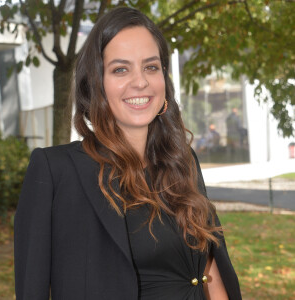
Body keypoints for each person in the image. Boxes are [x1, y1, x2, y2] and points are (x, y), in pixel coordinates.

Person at [14, 7, 242, 300]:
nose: (141, 82)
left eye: (151, 67)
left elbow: (209, 273)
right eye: (120, 69)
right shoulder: (55, 171)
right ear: (96, 84)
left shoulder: (182, 162)